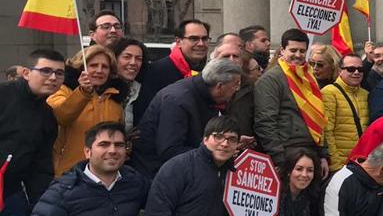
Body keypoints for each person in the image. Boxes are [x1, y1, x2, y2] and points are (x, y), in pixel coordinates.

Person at [0, 51, 65, 216]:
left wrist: (37, 212)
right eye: (46, 71)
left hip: (11, 198)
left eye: (59, 73)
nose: (53, 78)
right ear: (27, 73)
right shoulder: (4, 95)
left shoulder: (47, 116)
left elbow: (40, 171)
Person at [130, 58, 242, 178]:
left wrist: (229, 140)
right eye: (236, 85)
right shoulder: (178, 100)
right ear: (220, 87)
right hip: (157, 175)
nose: (237, 89)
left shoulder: (203, 96)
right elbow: (170, 150)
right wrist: (214, 152)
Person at [254, 29, 328, 171]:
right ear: (282, 50)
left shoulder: (309, 76)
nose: (298, 55)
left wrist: (323, 154)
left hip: (312, 151)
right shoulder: (271, 79)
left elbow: (319, 117)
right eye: (293, 50)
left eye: (302, 51)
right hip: (288, 153)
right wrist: (280, 159)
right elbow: (265, 123)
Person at [47, 45, 126, 177]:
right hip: (70, 173)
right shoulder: (62, 90)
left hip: (106, 174)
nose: (99, 70)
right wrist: (83, 93)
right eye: (93, 65)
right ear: (81, 68)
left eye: (104, 67)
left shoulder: (115, 99)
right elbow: (60, 115)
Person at [133, 19, 212, 124]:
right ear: (179, 42)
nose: (201, 44)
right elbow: (145, 115)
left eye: (205, 39)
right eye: (194, 39)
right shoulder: (157, 71)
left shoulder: (206, 71)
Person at [323, 53, 370, 171]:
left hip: (362, 164)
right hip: (341, 165)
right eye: (350, 69)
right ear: (340, 71)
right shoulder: (329, 92)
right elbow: (326, 131)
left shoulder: (366, 94)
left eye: (360, 69)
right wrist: (336, 165)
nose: (356, 72)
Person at [109, 37, 147, 132]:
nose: (133, 63)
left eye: (138, 59)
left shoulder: (142, 90)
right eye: (127, 57)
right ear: (114, 59)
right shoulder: (103, 89)